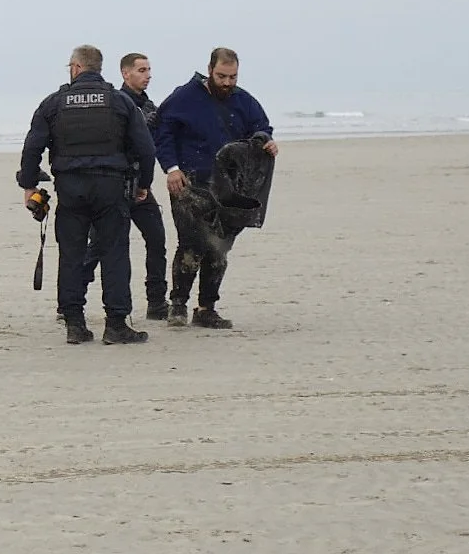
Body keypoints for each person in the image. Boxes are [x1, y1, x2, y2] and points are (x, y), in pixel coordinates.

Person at [18, 45, 159, 346]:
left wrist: (29, 186)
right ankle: (116, 325)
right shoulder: (119, 101)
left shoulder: (54, 103)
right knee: (114, 254)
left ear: (76, 68)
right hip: (110, 187)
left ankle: (75, 325)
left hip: (70, 188)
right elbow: (146, 148)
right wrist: (143, 184)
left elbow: (32, 147)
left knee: (71, 255)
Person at [153, 47, 277, 329]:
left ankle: (206, 308)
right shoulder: (183, 98)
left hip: (228, 187)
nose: (227, 83)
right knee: (192, 244)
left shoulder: (244, 101)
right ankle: (178, 305)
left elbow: (261, 128)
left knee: (219, 249)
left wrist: (265, 141)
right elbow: (162, 133)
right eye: (221, 76)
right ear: (210, 70)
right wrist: (171, 168)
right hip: (189, 182)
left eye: (232, 77)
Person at [84, 52, 170, 319]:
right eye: (142, 70)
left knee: (157, 239)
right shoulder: (116, 104)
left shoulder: (149, 105)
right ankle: (71, 303)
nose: (148, 76)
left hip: (141, 185)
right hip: (115, 187)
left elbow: (156, 143)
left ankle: (157, 301)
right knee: (98, 246)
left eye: (149, 70)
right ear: (126, 73)